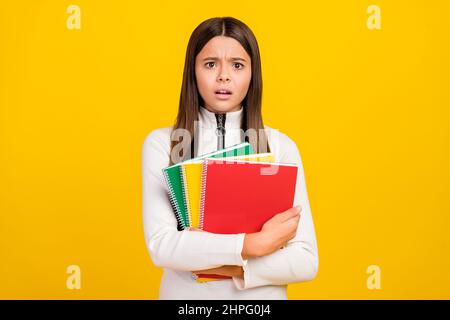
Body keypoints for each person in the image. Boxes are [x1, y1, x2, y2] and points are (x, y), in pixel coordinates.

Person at [142, 16, 318, 299]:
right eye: (210, 64)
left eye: (237, 65)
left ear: (252, 73)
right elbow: (162, 246)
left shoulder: (280, 147)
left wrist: (235, 267)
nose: (224, 76)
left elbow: (305, 261)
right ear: (193, 71)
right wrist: (254, 245)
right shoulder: (162, 144)